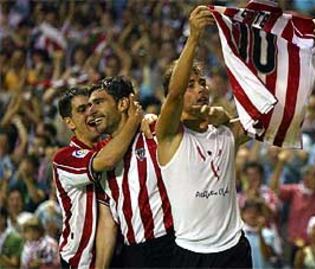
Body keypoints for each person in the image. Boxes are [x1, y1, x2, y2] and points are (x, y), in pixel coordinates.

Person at [156, 6, 252, 268]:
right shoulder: (168, 137)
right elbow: (174, 96)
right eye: (191, 85)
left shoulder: (226, 132)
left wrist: (304, 50)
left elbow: (266, 116)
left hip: (235, 249)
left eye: (202, 83)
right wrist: (194, 36)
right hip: (192, 253)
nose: (200, 89)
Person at [88, 77, 175, 268]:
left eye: (99, 102)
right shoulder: (99, 158)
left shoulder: (153, 132)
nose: (91, 111)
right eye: (89, 105)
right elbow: (108, 220)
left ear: (123, 103)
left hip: (173, 244)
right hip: (134, 253)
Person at [52, 86, 143, 268]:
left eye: (92, 106)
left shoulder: (109, 146)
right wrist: (135, 120)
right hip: (81, 260)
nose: (90, 112)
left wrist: (147, 120)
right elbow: (107, 160)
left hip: (117, 252)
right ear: (70, 123)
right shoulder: (64, 158)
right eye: (81, 110)